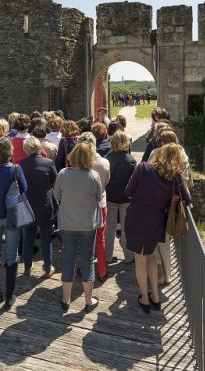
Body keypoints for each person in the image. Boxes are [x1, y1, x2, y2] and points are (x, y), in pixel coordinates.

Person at [124, 144, 191, 313]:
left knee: (140, 259)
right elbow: (187, 199)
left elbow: (128, 191)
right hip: (156, 221)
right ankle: (155, 296)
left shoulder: (143, 168)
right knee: (150, 256)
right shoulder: (175, 177)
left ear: (159, 154)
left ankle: (145, 299)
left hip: (136, 217)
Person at [54, 142, 103, 312]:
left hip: (67, 223)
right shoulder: (94, 175)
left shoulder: (63, 174)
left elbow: (56, 195)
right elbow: (99, 196)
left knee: (68, 259)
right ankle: (88, 301)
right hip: (88, 224)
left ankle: (66, 299)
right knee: (87, 260)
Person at [0, 138, 28, 310]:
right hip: (11, 215)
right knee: (11, 255)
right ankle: (9, 297)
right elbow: (24, 188)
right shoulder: (16, 169)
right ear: (10, 152)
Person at [19, 136, 58, 278]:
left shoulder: (21, 164)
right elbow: (55, 181)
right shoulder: (48, 163)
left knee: (28, 237)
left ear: (26, 149)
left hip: (27, 206)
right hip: (45, 205)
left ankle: (27, 268)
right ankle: (48, 268)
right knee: (46, 239)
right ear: (38, 148)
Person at [76, 132, 110, 281]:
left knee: (83, 239)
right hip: (100, 203)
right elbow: (106, 181)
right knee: (100, 239)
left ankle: (85, 269)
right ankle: (102, 271)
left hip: (82, 205)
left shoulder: (77, 165)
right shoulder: (104, 163)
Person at [105, 131, 136, 265]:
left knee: (110, 227)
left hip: (110, 196)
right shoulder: (130, 160)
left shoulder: (107, 158)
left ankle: (107, 256)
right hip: (126, 197)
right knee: (126, 228)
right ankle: (128, 256)